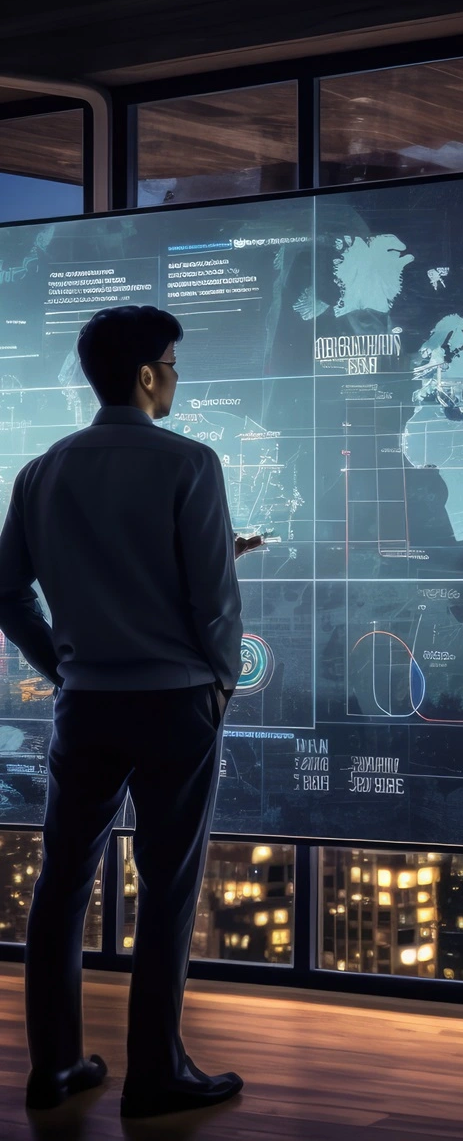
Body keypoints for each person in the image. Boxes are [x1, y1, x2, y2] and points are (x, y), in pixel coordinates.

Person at [0, 305, 263, 1117]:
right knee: (170, 888)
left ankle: (55, 1069)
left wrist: (66, 666)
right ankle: (157, 1074)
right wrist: (219, 683)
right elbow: (214, 608)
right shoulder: (190, 463)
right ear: (148, 374)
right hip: (175, 702)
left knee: (63, 883)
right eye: (174, 364)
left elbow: (9, 596)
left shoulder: (41, 471)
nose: (177, 378)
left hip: (87, 705)